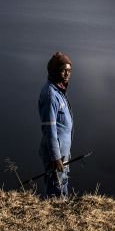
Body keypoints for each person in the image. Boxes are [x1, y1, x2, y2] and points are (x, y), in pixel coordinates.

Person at [38, 51, 74, 197]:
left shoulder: (58, 91)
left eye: (69, 70)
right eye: (63, 70)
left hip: (62, 152)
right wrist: (55, 157)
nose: (67, 73)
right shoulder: (50, 95)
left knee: (62, 182)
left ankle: (62, 211)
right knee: (56, 187)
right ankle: (55, 215)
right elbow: (50, 128)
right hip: (56, 155)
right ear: (54, 71)